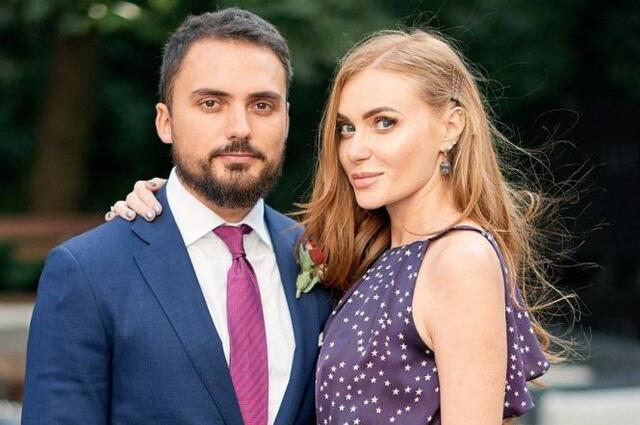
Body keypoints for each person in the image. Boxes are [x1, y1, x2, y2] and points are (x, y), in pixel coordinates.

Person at [109, 30, 565, 425]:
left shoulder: (459, 259)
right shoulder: (376, 256)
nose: (356, 150)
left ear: (451, 126)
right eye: (347, 128)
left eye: (384, 123)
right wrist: (169, 207)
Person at [22, 9, 332, 425]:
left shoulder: (321, 258)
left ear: (286, 120)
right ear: (165, 122)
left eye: (262, 105)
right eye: (211, 103)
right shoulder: (88, 272)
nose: (240, 128)